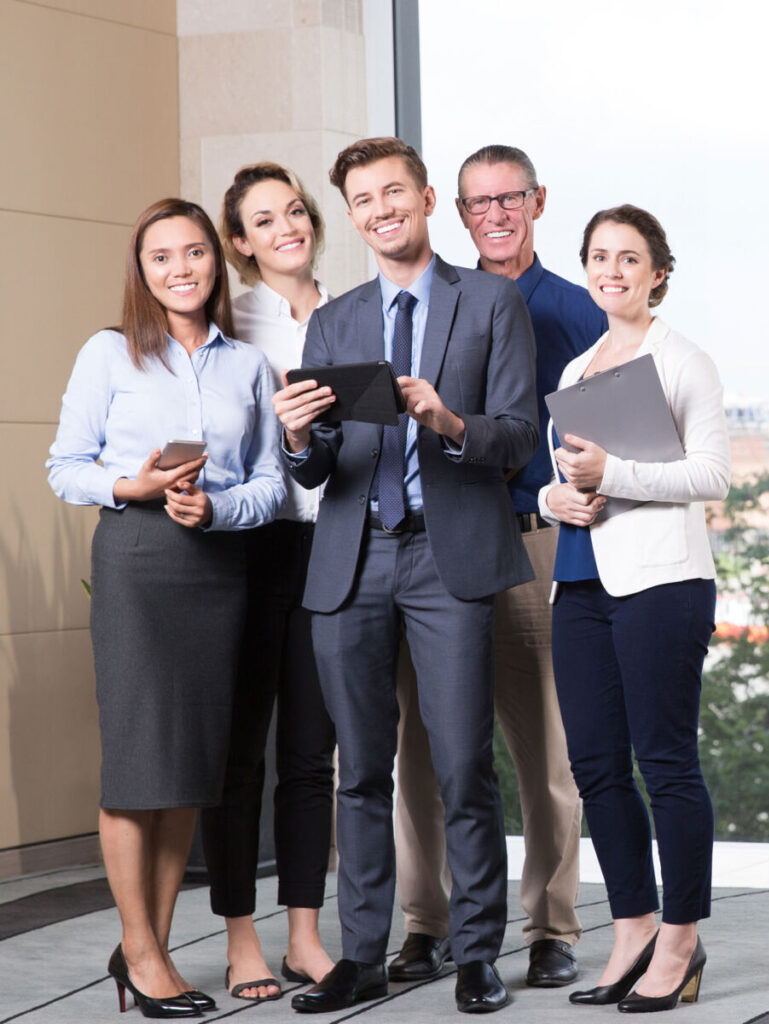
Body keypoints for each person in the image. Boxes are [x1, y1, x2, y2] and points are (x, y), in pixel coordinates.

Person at [272, 137, 539, 1015]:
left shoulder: (492, 302)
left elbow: (516, 437)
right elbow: (316, 474)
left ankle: (475, 955)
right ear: (351, 217)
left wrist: (446, 418)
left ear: (426, 199)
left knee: (464, 764)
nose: (381, 209)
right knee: (359, 772)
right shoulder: (335, 319)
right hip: (351, 560)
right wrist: (298, 439)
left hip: (447, 553)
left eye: (394, 192)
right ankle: (359, 957)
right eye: (362, 199)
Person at [46, 199, 285, 1019]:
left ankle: (154, 943)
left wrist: (217, 509)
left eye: (194, 253)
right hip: (138, 563)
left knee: (189, 768)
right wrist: (132, 486)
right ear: (140, 271)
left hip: (215, 568)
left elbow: (271, 484)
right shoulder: (108, 354)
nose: (181, 268)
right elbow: (66, 467)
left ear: (217, 263)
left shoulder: (247, 368)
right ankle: (142, 952)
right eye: (161, 257)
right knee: (137, 766)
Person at [392, 144, 608, 988]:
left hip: (529, 540)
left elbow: (606, 441)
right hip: (435, 547)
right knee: (422, 746)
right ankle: (425, 921)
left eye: (508, 199)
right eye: (477, 202)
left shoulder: (571, 311)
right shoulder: (434, 299)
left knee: (543, 746)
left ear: (537, 201)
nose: (493, 215)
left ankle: (552, 926)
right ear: (456, 211)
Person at [537, 205, 730, 1012]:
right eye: (597, 257)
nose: (610, 270)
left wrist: (611, 473)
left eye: (627, 258)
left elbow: (708, 476)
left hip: (660, 585)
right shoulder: (580, 370)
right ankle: (632, 927)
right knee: (594, 770)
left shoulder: (683, 360)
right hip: (579, 583)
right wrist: (556, 498)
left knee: (665, 765)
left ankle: (680, 941)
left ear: (657, 271)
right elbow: (563, 480)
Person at [199, 162, 335, 1002]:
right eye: (263, 219)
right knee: (239, 755)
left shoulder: (356, 311)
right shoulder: (228, 323)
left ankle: (305, 935)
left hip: (330, 548)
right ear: (241, 244)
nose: (286, 226)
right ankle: (240, 937)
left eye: (294, 210)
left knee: (310, 754)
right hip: (247, 548)